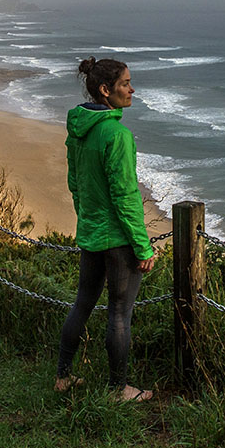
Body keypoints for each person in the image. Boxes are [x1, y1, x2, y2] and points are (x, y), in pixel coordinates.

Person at [55, 56, 156, 401]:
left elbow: (76, 183)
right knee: (119, 314)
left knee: (82, 303)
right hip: (117, 240)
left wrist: (86, 218)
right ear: (105, 90)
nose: (131, 89)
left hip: (91, 232)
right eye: (125, 84)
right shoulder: (117, 134)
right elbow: (126, 196)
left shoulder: (78, 129)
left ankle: (63, 376)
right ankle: (119, 389)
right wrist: (142, 247)